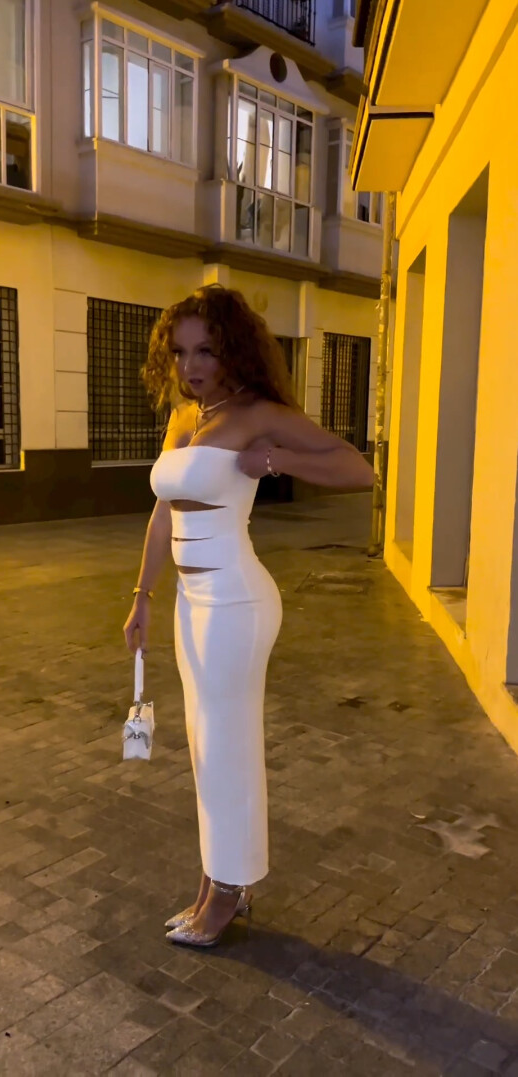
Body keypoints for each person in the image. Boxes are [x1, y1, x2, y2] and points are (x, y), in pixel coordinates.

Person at [123, 285, 373, 948]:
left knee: (227, 746)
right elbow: (162, 513)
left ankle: (228, 892)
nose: (191, 366)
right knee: (205, 746)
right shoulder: (184, 417)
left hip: (235, 601)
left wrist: (278, 460)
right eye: (180, 353)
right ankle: (217, 881)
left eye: (205, 350)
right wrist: (143, 595)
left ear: (232, 348)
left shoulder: (258, 414)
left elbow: (358, 469)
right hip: (189, 604)